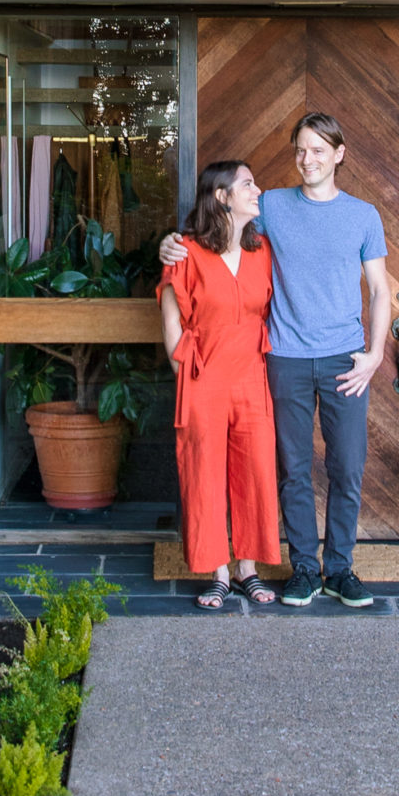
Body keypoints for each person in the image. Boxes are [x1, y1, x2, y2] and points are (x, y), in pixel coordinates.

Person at [161, 111, 391, 609]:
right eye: (300, 150)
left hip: (345, 360)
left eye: (318, 150)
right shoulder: (272, 207)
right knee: (291, 470)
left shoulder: (364, 215)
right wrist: (171, 243)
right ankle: (305, 568)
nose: (307, 159)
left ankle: (340, 569)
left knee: (347, 467)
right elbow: (217, 229)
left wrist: (374, 355)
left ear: (339, 154)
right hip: (284, 359)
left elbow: (379, 290)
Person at [156, 161, 281, 611]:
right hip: (202, 375)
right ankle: (218, 572)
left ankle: (248, 568)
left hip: (251, 374)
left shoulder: (262, 249)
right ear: (223, 196)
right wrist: (185, 377)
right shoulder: (185, 251)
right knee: (203, 473)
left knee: (256, 470)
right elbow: (171, 319)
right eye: (248, 184)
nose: (257, 189)